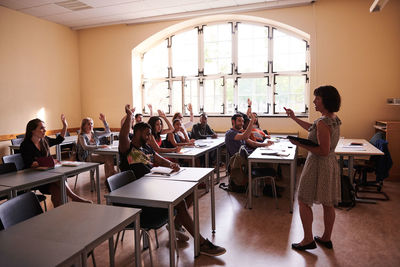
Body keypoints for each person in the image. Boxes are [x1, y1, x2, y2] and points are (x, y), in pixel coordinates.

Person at [119, 104, 226, 256]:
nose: (149, 137)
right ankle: (201, 243)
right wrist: (129, 116)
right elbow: (123, 135)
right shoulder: (127, 149)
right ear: (136, 133)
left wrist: (171, 164)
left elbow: (158, 158)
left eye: (150, 134)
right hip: (137, 196)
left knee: (190, 191)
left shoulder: (146, 148)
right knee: (180, 203)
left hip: (152, 187)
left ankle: (176, 224)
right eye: (146, 134)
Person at [286, 85, 341, 251]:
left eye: (317, 98)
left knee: (303, 200)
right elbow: (314, 128)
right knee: (328, 202)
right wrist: (295, 118)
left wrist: (300, 143)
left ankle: (308, 240)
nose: (314, 101)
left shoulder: (323, 122)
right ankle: (326, 238)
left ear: (326, 100)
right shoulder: (332, 118)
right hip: (330, 164)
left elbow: (322, 151)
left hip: (318, 164)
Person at [20, 115, 92, 207]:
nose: (44, 130)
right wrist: (48, 162)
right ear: (32, 130)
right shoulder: (25, 145)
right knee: (59, 179)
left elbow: (59, 139)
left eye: (45, 128)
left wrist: (65, 126)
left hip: (47, 176)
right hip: (33, 178)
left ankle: (59, 213)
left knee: (57, 189)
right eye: (41, 128)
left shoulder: (44, 140)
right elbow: (29, 164)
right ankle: (74, 198)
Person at [76, 114, 116, 178]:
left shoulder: (94, 133)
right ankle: (111, 175)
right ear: (83, 126)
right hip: (85, 157)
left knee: (109, 155)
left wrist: (104, 121)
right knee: (107, 158)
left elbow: (108, 132)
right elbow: (85, 147)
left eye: (91, 124)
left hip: (95, 154)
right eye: (88, 124)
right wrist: (100, 146)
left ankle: (110, 176)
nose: (91, 125)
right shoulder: (81, 135)